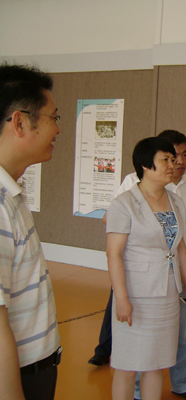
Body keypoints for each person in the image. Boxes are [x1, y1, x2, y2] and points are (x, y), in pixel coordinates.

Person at [90, 130, 186, 400]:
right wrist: (121, 300)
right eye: (166, 160)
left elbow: (180, 245)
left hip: (168, 294)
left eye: (174, 159)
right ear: (146, 166)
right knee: (127, 366)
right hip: (137, 293)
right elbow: (114, 254)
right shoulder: (124, 204)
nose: (174, 164)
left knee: (156, 364)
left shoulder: (174, 200)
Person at [0, 63, 62, 400]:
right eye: (54, 117)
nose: (58, 128)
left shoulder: (11, 193)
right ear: (20, 122)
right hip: (20, 378)